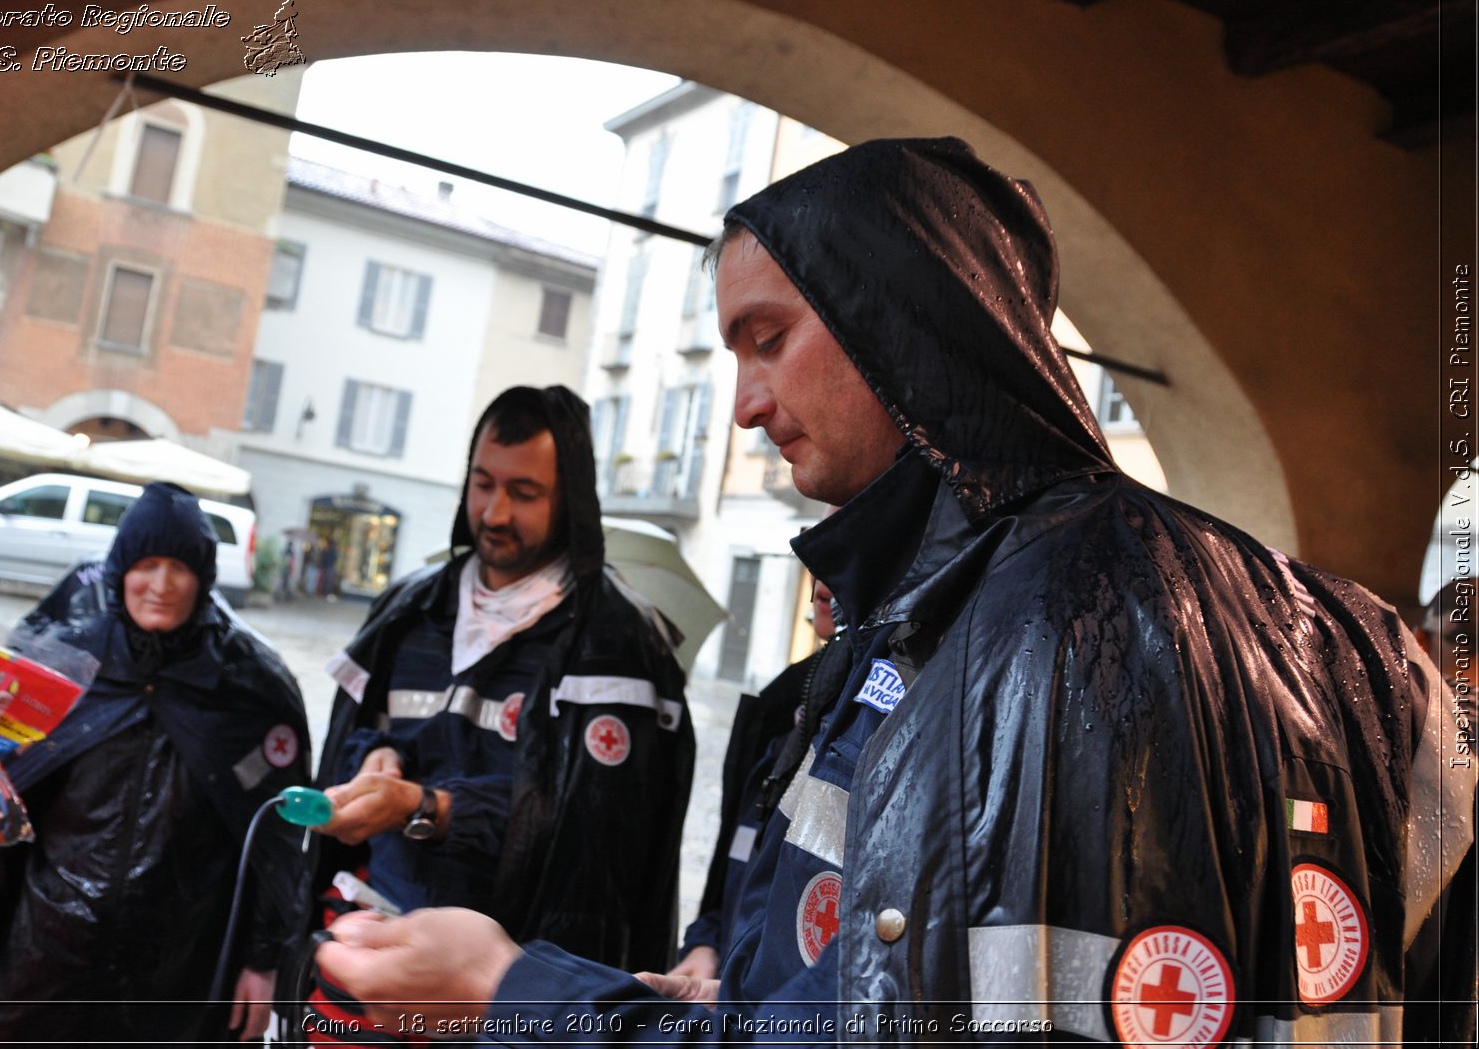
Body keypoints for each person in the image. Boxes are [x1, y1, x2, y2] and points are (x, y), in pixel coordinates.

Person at [313, 137, 1476, 1045]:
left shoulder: (1040, 633)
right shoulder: (1337, 628)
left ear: (901, 314)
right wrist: (738, 978)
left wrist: (512, 992)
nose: (746, 404)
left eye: (767, 338)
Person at [299, 385, 693, 1035]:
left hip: (510, 1004)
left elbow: (594, 841)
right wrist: (375, 756)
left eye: (524, 492)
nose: (495, 510)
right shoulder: (408, 611)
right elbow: (350, 737)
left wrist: (426, 808)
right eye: (483, 483)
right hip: (371, 980)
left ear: (571, 499)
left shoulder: (617, 643)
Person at [0, 481, 312, 1045]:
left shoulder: (250, 687)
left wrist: (262, 966)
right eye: (147, 563)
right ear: (120, 568)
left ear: (205, 577)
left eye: (180, 568)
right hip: (42, 973)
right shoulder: (57, 667)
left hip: (180, 985)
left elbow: (275, 840)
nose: (161, 585)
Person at [669, 578, 835, 981]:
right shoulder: (783, 703)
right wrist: (706, 940)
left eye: (844, 518)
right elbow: (741, 852)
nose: (822, 579)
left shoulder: (882, 712)